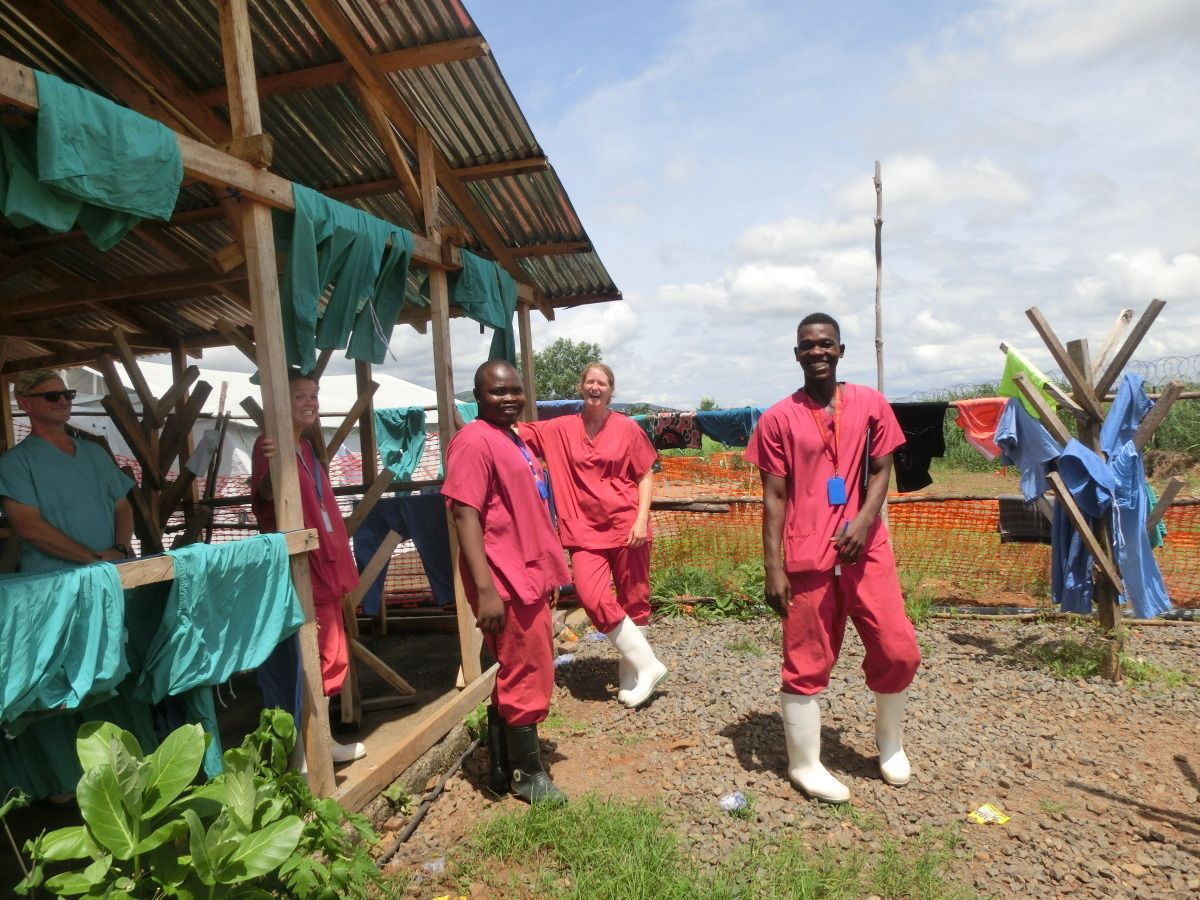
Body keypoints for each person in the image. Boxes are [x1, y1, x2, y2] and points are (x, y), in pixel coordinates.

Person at [744, 313, 920, 803]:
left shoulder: (869, 403)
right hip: (807, 555)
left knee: (898, 646)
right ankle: (804, 764)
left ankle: (889, 744)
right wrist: (772, 565)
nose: (817, 352)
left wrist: (866, 519)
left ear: (841, 350)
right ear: (796, 354)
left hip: (867, 550)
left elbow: (883, 466)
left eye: (826, 344)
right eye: (807, 346)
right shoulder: (778, 418)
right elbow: (774, 495)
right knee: (805, 657)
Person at [443, 360, 570, 804]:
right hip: (505, 577)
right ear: (478, 396)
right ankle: (527, 773)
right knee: (529, 667)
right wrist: (484, 592)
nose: (510, 398)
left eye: (516, 390)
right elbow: (464, 513)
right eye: (498, 392)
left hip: (529, 570)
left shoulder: (510, 436)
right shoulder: (474, 442)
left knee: (519, 665)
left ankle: (500, 767)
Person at [518, 364, 668, 708]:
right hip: (583, 531)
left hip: (627, 525)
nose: (595, 387)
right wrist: (472, 420)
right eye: (589, 381)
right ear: (581, 387)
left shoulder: (628, 429)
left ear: (611, 390)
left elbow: (645, 475)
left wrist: (641, 520)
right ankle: (649, 665)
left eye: (602, 382)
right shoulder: (558, 429)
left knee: (635, 598)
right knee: (591, 595)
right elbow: (514, 431)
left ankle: (633, 680)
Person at [251, 369, 365, 764]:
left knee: (331, 655)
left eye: (313, 395)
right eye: (300, 396)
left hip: (326, 564)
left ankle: (323, 741)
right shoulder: (270, 445)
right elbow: (265, 495)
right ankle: (302, 751)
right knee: (309, 657)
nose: (310, 402)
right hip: (303, 569)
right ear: (280, 403)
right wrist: (271, 470)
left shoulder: (308, 448)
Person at [0, 369, 135, 572]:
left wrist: (120, 548)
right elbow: (30, 527)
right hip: (56, 586)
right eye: (52, 396)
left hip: (108, 575)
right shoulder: (15, 462)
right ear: (24, 403)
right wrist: (94, 559)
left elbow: (123, 508)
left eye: (68, 394)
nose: (63, 400)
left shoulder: (95, 453)